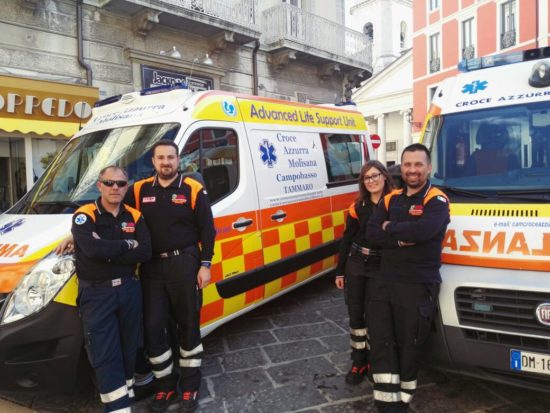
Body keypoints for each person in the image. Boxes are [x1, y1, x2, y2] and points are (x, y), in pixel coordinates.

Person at [125, 140, 216, 413]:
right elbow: (112, 210)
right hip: (151, 269)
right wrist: (74, 233)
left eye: (171, 158)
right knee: (153, 328)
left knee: (188, 326)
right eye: (161, 158)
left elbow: (208, 230)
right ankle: (164, 387)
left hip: (184, 264)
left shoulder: (193, 189)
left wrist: (205, 265)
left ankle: (189, 387)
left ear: (178, 160)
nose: (166, 162)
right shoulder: (138, 190)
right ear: (153, 162)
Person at [366, 143, 450, 413]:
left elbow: (425, 232)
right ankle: (385, 401)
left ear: (429, 168)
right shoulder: (391, 198)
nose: (412, 170)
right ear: (401, 167)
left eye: (418, 164)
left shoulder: (436, 199)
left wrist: (391, 227)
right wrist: (402, 239)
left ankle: (403, 397)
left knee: (409, 340)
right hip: (384, 280)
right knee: (380, 339)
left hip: (417, 283)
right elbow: (372, 233)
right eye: (407, 164)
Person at [71, 165, 151, 413]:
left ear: (126, 187)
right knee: (105, 351)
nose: (115, 188)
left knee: (129, 348)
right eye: (109, 183)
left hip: (129, 290)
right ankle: (117, 408)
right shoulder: (84, 215)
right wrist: (128, 243)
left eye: (120, 183)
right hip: (97, 294)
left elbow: (145, 252)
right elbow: (93, 252)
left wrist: (107, 248)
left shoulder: (135, 216)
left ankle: (124, 398)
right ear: (99, 186)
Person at [335, 160, 394, 385]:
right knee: (356, 315)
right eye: (366, 178)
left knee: (378, 318)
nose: (371, 181)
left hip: (381, 267)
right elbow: (347, 240)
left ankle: (377, 362)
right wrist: (340, 272)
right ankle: (359, 361)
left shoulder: (396, 203)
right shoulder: (357, 206)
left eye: (375, 175)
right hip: (357, 265)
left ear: (384, 176)